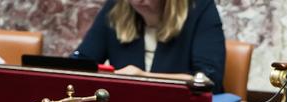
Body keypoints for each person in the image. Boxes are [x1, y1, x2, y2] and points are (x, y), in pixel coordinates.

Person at [73, 0, 226, 89]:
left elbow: (207, 79)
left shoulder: (199, 7)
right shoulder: (116, 7)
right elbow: (82, 61)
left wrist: (143, 77)